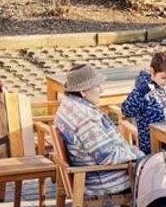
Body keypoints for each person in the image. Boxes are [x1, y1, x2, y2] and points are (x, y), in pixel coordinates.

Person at [54, 64, 143, 196]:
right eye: (97, 86)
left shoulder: (68, 105)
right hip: (104, 179)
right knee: (162, 172)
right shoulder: (85, 119)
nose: (102, 90)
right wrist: (138, 154)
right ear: (83, 92)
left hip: (91, 172)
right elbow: (107, 156)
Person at [121, 51, 166, 154]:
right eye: (164, 78)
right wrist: (141, 91)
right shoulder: (143, 90)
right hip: (152, 145)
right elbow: (126, 110)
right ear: (152, 72)